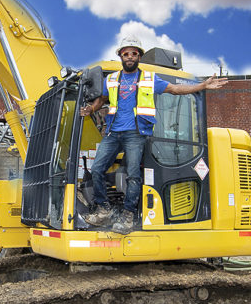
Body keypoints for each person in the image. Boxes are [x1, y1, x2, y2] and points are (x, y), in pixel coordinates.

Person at [80, 36, 228, 234]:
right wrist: (90, 109)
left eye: (134, 53)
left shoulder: (149, 79)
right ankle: (104, 209)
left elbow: (175, 89)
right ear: (121, 56)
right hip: (114, 132)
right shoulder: (112, 79)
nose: (130, 57)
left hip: (135, 133)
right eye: (126, 53)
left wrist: (202, 86)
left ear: (139, 57)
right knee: (97, 169)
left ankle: (128, 216)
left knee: (133, 174)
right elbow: (101, 100)